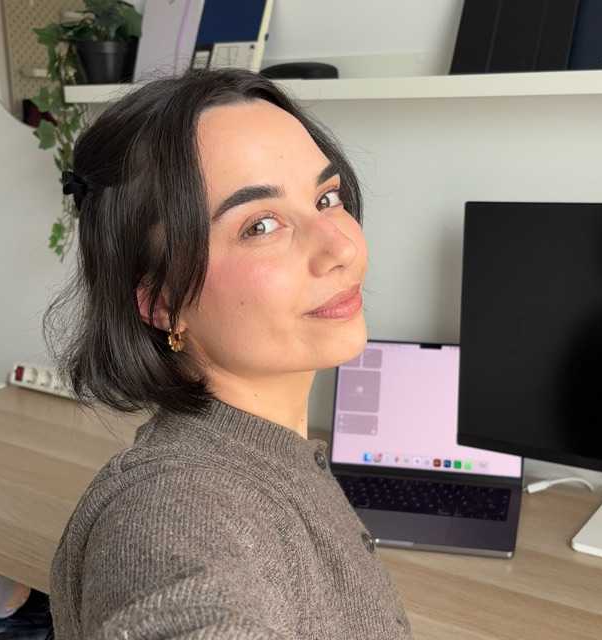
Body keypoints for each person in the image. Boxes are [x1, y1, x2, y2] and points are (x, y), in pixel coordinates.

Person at [44, 67, 413, 639]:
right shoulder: (170, 507)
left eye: (326, 197)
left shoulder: (272, 459)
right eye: (260, 225)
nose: (340, 247)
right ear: (163, 302)